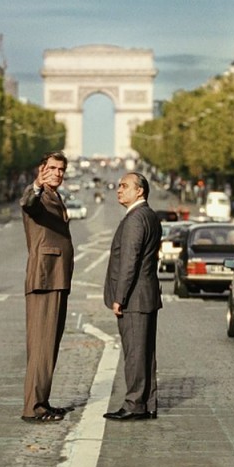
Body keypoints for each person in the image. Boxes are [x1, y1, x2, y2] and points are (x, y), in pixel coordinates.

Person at [19, 150, 74, 422]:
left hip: (56, 277)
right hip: (45, 277)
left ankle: (42, 400)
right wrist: (37, 186)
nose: (57, 173)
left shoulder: (55, 196)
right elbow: (28, 203)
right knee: (41, 345)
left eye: (61, 169)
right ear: (41, 170)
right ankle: (34, 407)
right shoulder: (38, 195)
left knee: (48, 344)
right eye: (52, 168)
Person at [103, 172, 162, 421]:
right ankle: (147, 403)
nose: (119, 190)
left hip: (134, 298)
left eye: (125, 186)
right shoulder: (150, 215)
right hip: (146, 295)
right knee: (145, 353)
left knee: (135, 354)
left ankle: (134, 404)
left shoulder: (135, 219)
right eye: (119, 186)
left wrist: (120, 297)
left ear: (140, 191)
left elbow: (129, 262)